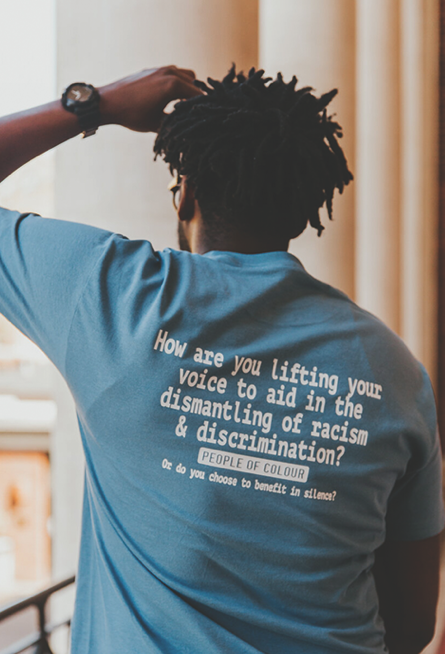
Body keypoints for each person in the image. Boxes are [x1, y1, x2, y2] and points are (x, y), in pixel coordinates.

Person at [0, 65, 443, 654]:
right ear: (305, 208)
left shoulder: (112, 295)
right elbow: (412, 629)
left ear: (185, 190)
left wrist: (96, 105)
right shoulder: (394, 372)